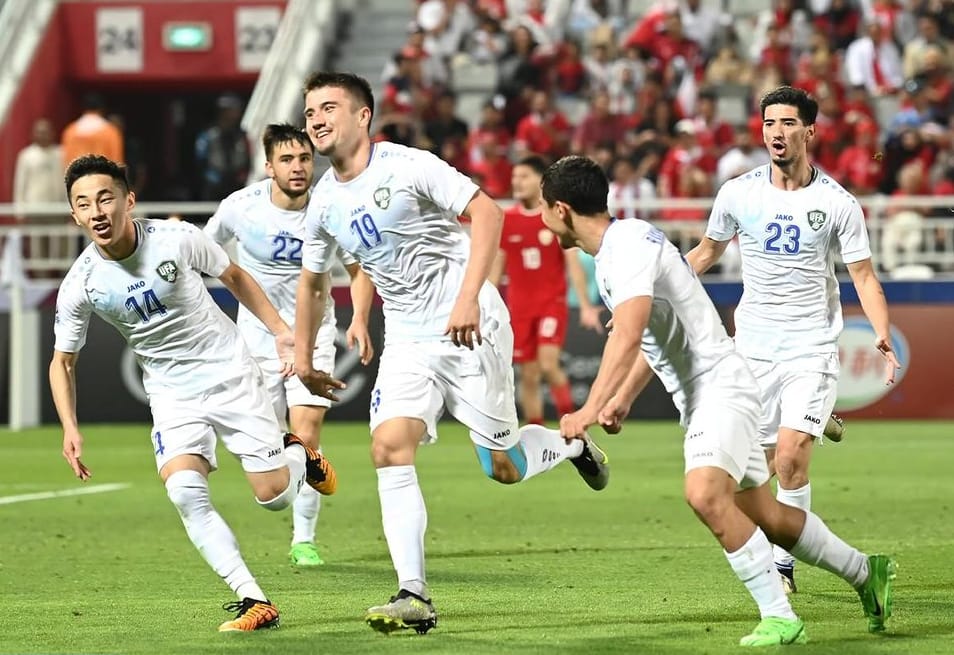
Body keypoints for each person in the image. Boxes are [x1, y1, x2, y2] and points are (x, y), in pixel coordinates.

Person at [293, 71, 610, 635]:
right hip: (409, 340)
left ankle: (569, 444)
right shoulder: (322, 203)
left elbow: (487, 212)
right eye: (310, 111)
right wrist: (311, 346)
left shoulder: (409, 165)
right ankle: (413, 593)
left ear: (363, 116)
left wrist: (467, 298)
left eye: (328, 108)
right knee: (388, 448)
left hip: (471, 324)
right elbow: (322, 277)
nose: (316, 119)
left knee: (503, 466)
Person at [540, 154, 897, 647]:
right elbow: (656, 335)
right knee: (767, 516)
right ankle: (865, 573)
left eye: (541, 207)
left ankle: (779, 614)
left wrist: (587, 406)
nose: (540, 217)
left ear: (560, 209)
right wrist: (622, 397)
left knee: (706, 494)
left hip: (720, 389)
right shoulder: (626, 242)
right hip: (714, 390)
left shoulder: (623, 252)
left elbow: (628, 331)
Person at [50, 154, 337, 632]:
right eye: (84, 204)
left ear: (129, 200)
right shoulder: (81, 284)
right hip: (170, 394)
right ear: (75, 216)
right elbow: (63, 361)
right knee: (185, 492)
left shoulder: (177, 239)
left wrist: (281, 331)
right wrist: (70, 427)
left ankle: (298, 454)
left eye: (105, 197)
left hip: (229, 373)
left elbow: (235, 277)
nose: (97, 210)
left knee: (274, 498)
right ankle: (253, 600)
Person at [685, 86, 899, 594]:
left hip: (811, 347)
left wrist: (883, 332)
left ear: (810, 131)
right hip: (752, 350)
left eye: (787, 124)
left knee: (791, 457)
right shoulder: (738, 193)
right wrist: (651, 292)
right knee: (752, 473)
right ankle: (815, 425)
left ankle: (783, 569)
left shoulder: (837, 203)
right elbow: (705, 253)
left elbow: (863, 276)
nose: (776, 134)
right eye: (768, 125)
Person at [204, 123, 375, 567]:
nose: (298, 167)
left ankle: (304, 539)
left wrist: (358, 316)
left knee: (306, 436)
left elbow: (357, 270)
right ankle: (288, 477)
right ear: (268, 166)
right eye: (287, 159)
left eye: (303, 158)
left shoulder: (331, 205)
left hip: (313, 336)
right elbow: (200, 252)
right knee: (268, 442)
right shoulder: (240, 207)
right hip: (256, 339)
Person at [489, 155, 603, 424]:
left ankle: (572, 423)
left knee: (548, 364)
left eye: (524, 176)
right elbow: (498, 266)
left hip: (551, 304)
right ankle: (536, 432)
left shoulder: (553, 216)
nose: (517, 182)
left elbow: (573, 264)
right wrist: (482, 303)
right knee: (528, 374)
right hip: (519, 308)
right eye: (514, 176)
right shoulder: (507, 219)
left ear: (540, 182)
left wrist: (586, 305)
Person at [195, 94, 252, 201]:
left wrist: (241, 177)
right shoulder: (208, 134)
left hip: (236, 184)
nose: (236, 114)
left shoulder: (241, 135)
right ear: (223, 112)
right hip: (213, 185)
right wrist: (214, 178)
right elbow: (200, 160)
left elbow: (248, 158)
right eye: (233, 110)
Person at [61, 93, 124, 167]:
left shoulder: (70, 131)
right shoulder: (111, 131)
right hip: (102, 176)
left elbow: (66, 161)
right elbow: (117, 161)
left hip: (78, 176)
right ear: (102, 108)